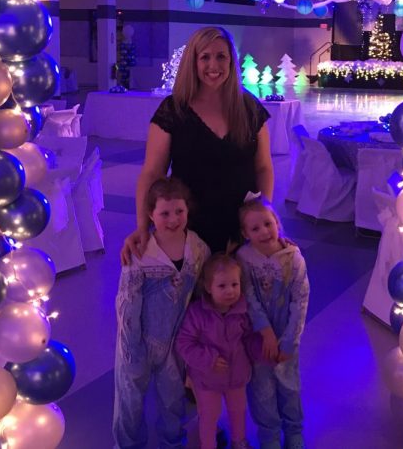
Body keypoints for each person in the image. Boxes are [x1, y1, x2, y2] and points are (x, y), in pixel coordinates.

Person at [121, 26, 274, 262]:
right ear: (193, 62)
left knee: (236, 295)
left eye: (221, 56)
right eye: (205, 57)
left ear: (232, 61)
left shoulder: (250, 109)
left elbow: (263, 167)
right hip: (187, 230)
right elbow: (152, 173)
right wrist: (142, 225)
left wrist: (264, 217)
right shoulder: (174, 110)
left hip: (239, 231)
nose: (214, 65)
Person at [113, 177, 211, 449]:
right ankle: (127, 445)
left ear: (188, 210)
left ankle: (173, 441)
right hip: (139, 339)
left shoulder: (198, 248)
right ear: (150, 215)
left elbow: (201, 293)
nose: (173, 219)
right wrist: (132, 345)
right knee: (130, 399)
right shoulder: (141, 252)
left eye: (179, 211)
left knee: (173, 397)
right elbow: (127, 301)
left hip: (176, 341)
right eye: (164, 213)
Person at [236, 195, 310, 449]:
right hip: (258, 337)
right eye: (255, 228)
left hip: (288, 334)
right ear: (245, 233)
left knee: (289, 385)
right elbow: (249, 297)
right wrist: (264, 331)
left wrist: (289, 340)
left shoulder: (293, 258)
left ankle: (294, 432)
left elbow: (300, 301)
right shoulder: (244, 258)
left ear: (277, 222)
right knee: (262, 390)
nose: (264, 232)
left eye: (268, 224)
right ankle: (269, 437)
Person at [176, 254, 260, 449]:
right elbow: (184, 343)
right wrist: (209, 359)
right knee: (209, 416)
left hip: (236, 375)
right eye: (222, 286)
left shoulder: (243, 310)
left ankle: (239, 442)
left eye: (234, 284)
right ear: (208, 287)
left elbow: (248, 337)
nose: (230, 291)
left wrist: (259, 351)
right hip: (206, 379)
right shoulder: (198, 313)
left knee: (238, 411)